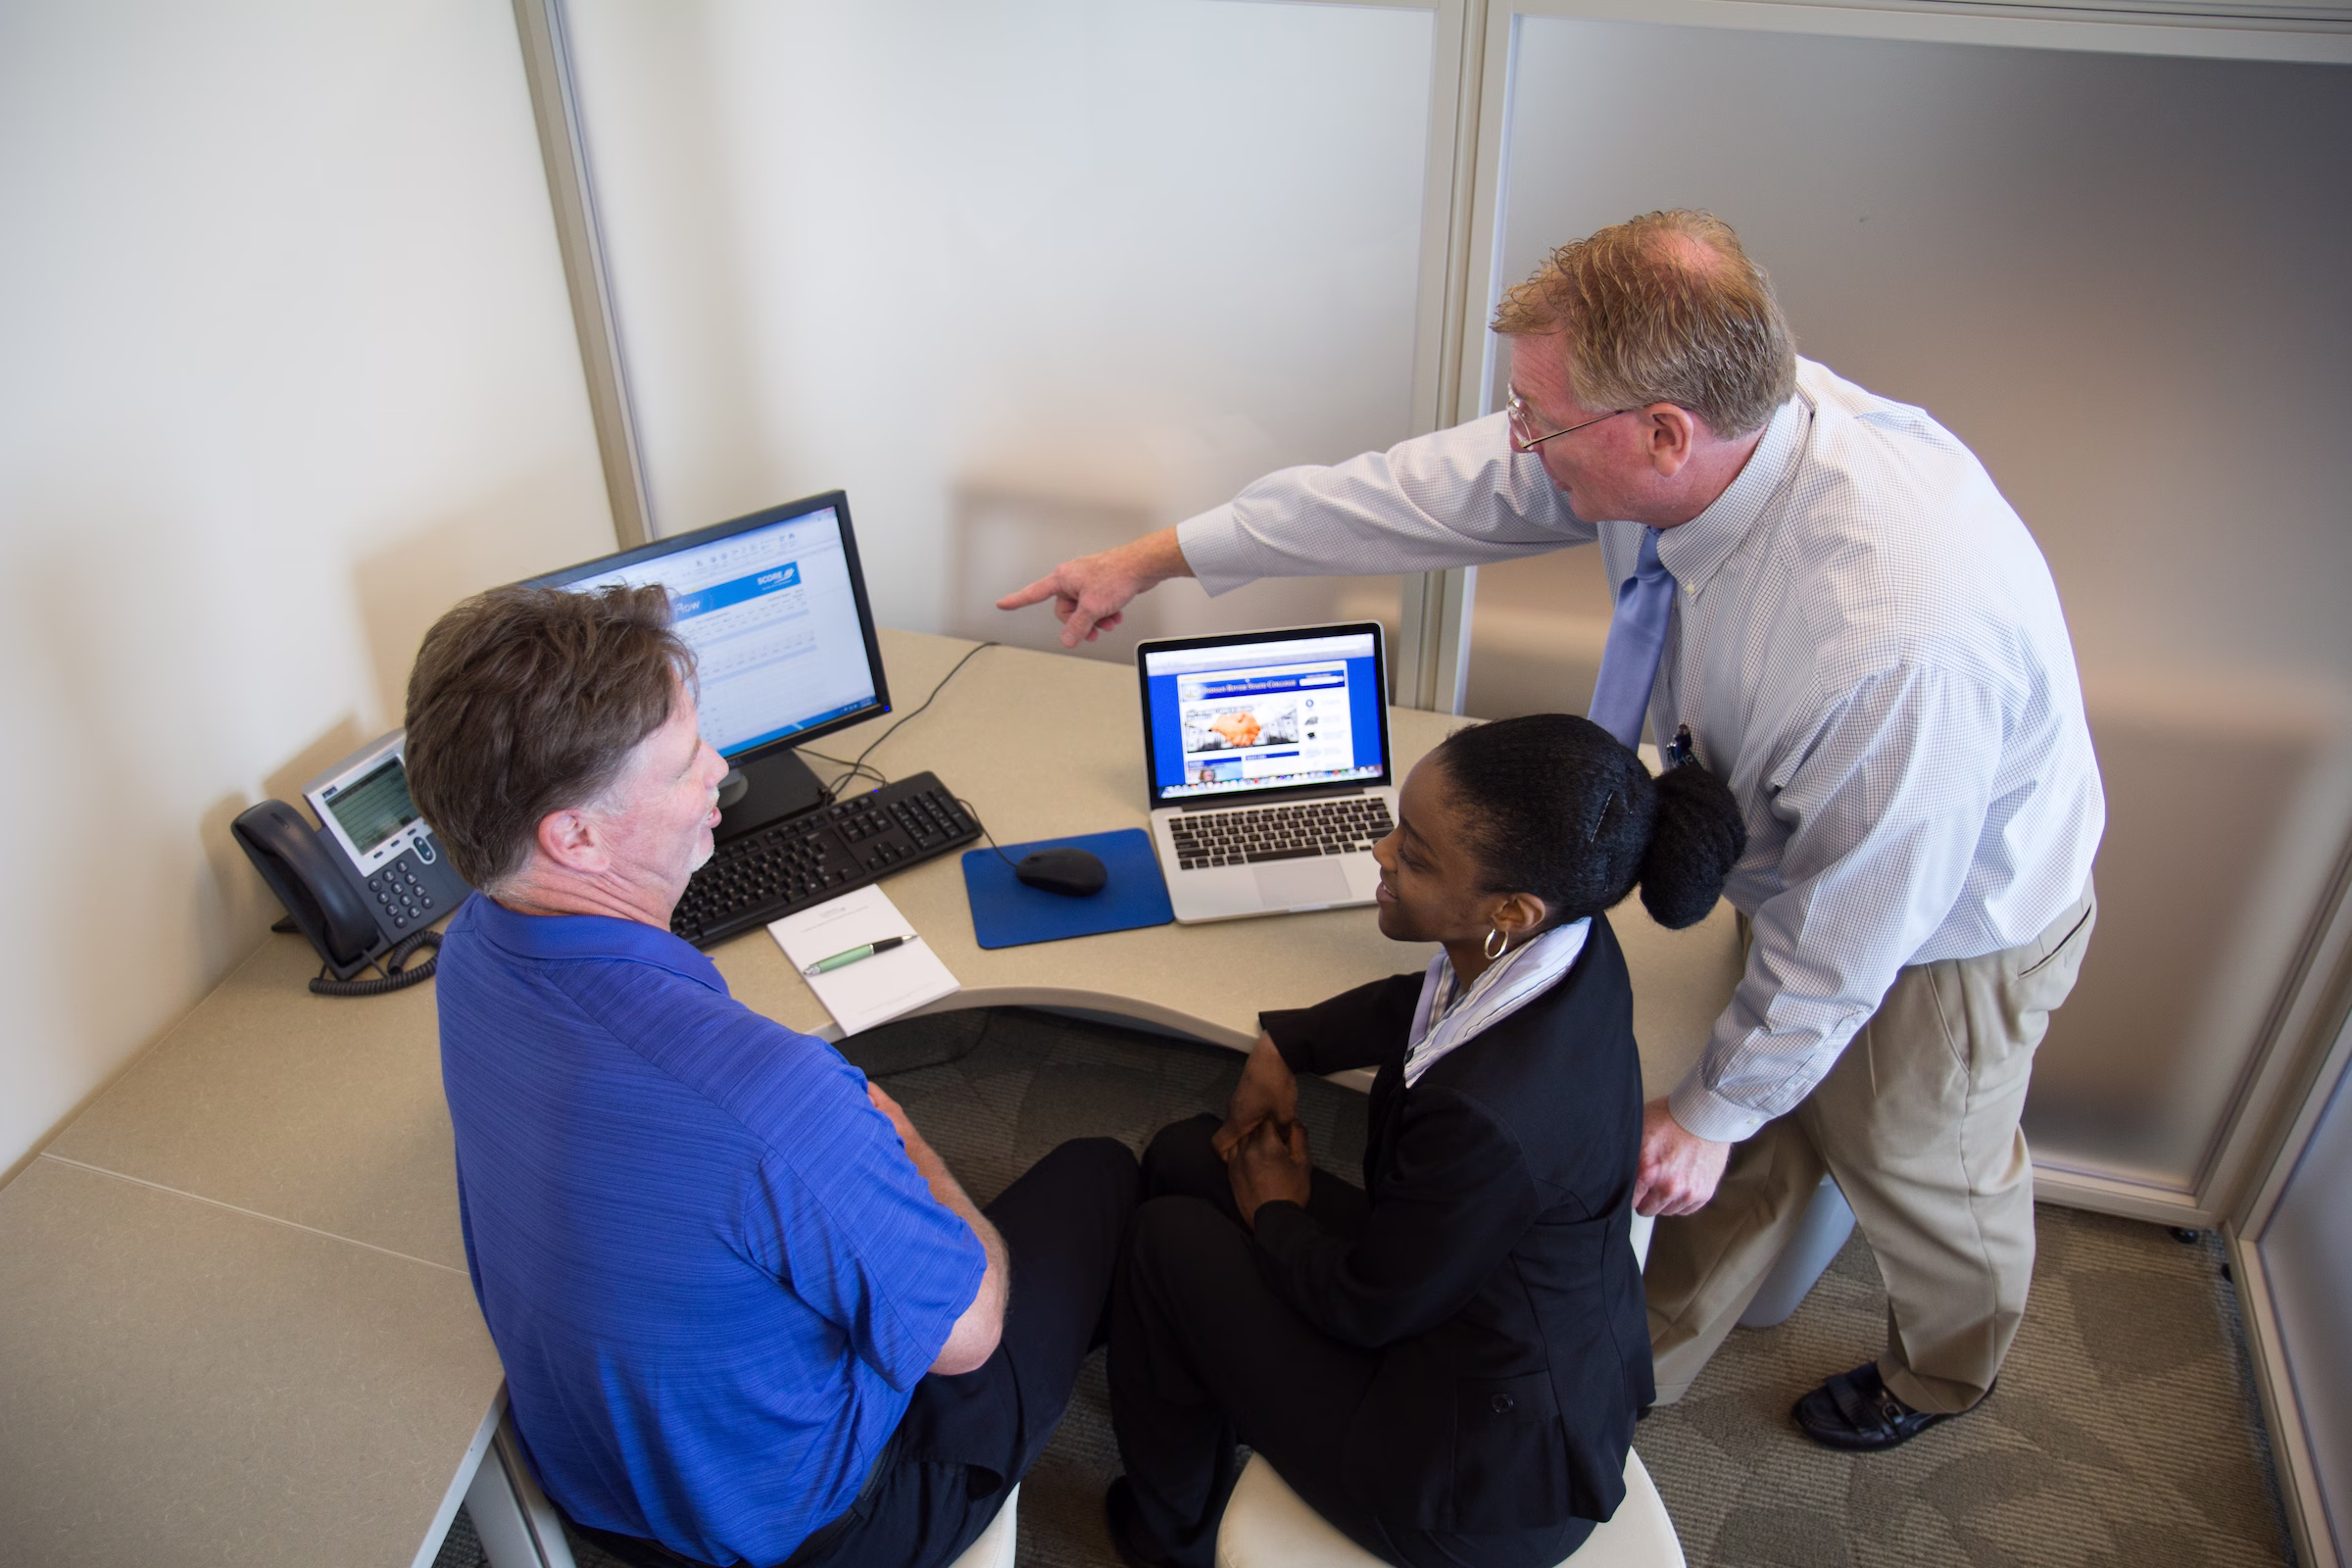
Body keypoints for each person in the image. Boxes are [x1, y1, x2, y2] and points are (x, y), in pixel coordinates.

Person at [1003, 210, 2103, 1451]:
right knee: (1734, 1140)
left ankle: (1948, 1372)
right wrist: (1160, 556)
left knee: (1914, 1163)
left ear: (1664, 433)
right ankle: (1636, 1368)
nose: (1520, 444)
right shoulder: (1689, 433)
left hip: (1947, 920)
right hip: (1802, 852)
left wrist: (1713, 1107)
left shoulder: (1894, 639)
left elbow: (1854, 932)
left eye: (1541, 420)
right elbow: (1410, 496)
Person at [404, 583, 1140, 1568]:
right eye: (681, 761)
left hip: (604, 1493)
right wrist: (901, 1130)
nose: (722, 770)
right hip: (813, 1529)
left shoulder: (475, 950)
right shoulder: (771, 1101)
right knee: (1105, 1175)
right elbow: (966, 1337)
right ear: (572, 835)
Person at [1106, 714, 1745, 1568]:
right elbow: (1424, 997)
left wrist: (1276, 1212)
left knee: (1165, 1243)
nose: (1380, 851)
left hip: (1472, 1480)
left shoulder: (1488, 1116)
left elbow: (1369, 1306)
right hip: (1479, 1315)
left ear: (1508, 911)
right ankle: (1203, 1375)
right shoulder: (1561, 943)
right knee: (1189, 1154)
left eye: (1414, 852)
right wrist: (1284, 1044)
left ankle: (1167, 1540)